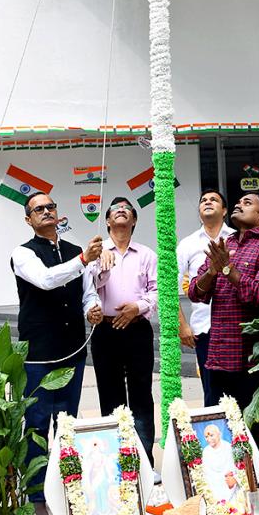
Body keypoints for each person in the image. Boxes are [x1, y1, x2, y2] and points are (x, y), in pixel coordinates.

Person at [11, 190, 103, 515]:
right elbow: (47, 280)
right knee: (36, 427)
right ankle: (36, 496)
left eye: (51, 206)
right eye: (39, 209)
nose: (47, 211)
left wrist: (93, 309)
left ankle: (68, 485)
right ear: (29, 219)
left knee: (67, 424)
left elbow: (88, 293)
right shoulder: (22, 254)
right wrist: (83, 261)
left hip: (72, 350)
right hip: (38, 355)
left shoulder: (77, 250)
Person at [188, 192, 259, 409]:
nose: (238, 204)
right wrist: (212, 271)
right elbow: (196, 293)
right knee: (220, 429)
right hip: (218, 354)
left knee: (254, 431)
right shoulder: (225, 244)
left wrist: (227, 268)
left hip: (252, 360)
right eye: (238, 201)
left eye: (247, 202)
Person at [89, 196, 158, 469]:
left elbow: (156, 293)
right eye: (115, 210)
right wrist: (102, 265)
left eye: (126, 209)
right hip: (105, 329)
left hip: (137, 328)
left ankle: (145, 463)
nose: (121, 211)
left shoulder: (147, 254)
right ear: (107, 221)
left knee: (141, 394)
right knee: (110, 394)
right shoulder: (95, 252)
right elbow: (91, 289)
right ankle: (118, 462)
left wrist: (137, 308)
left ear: (134, 220)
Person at [177, 189, 234, 406]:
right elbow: (169, 286)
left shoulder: (237, 238)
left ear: (225, 210)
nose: (207, 202)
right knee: (212, 392)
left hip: (238, 327)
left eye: (214, 200)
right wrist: (182, 325)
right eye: (203, 201)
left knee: (240, 390)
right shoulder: (188, 244)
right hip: (204, 327)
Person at [201, 424, 238, 503]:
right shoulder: (206, 451)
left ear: (219, 434)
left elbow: (233, 468)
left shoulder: (228, 447)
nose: (209, 439)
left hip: (229, 482)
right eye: (206, 437)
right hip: (214, 484)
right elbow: (206, 473)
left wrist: (232, 478)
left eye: (211, 435)